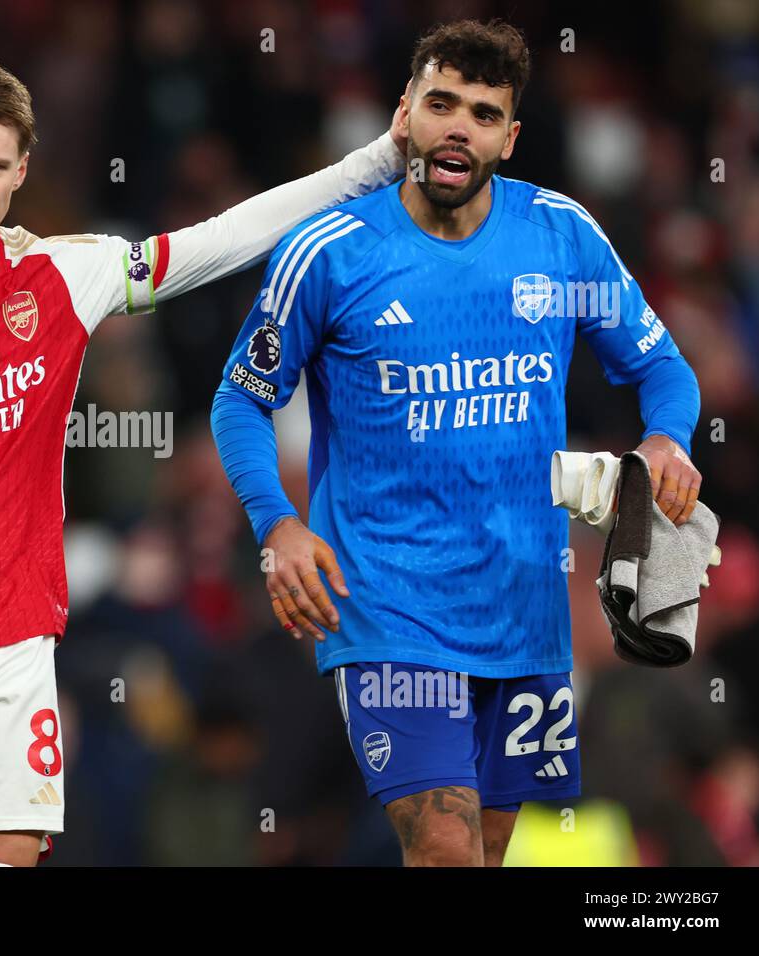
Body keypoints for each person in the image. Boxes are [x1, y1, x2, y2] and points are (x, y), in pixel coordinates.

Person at [0, 53, 407, 866]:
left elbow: (222, 238)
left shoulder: (63, 275)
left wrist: (381, 159)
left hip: (7, 647)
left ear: (22, 169)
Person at [211, 19, 702, 866]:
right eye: (441, 104)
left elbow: (664, 368)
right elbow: (239, 401)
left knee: (489, 849)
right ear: (406, 114)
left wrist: (666, 441)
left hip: (525, 606)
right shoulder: (329, 252)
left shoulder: (561, 235)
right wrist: (278, 524)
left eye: (481, 113)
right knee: (444, 845)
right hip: (387, 602)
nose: (457, 127)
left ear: (508, 138)